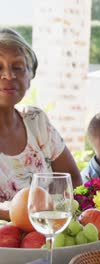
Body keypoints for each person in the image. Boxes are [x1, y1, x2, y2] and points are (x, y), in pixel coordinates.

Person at [0, 28, 82, 220]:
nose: (8, 75)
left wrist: (51, 217)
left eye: (18, 67)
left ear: (29, 77)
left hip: (49, 237)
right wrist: (25, 214)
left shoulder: (36, 121)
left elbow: (72, 180)